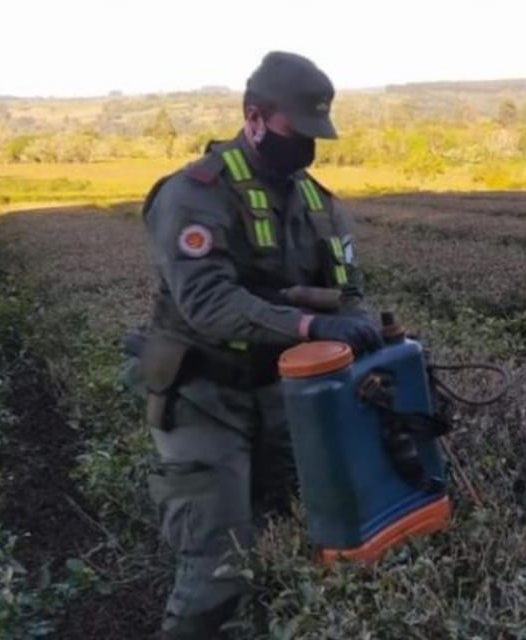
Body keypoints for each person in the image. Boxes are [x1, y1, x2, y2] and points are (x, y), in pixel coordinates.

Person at [131, 50, 384, 639]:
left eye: (318, 135)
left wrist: (363, 339)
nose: (308, 148)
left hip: (284, 398)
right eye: (299, 133)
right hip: (202, 393)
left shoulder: (321, 203)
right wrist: (308, 327)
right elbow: (208, 303)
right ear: (254, 117)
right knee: (219, 569)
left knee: (299, 540)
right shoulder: (194, 195)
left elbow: (348, 298)